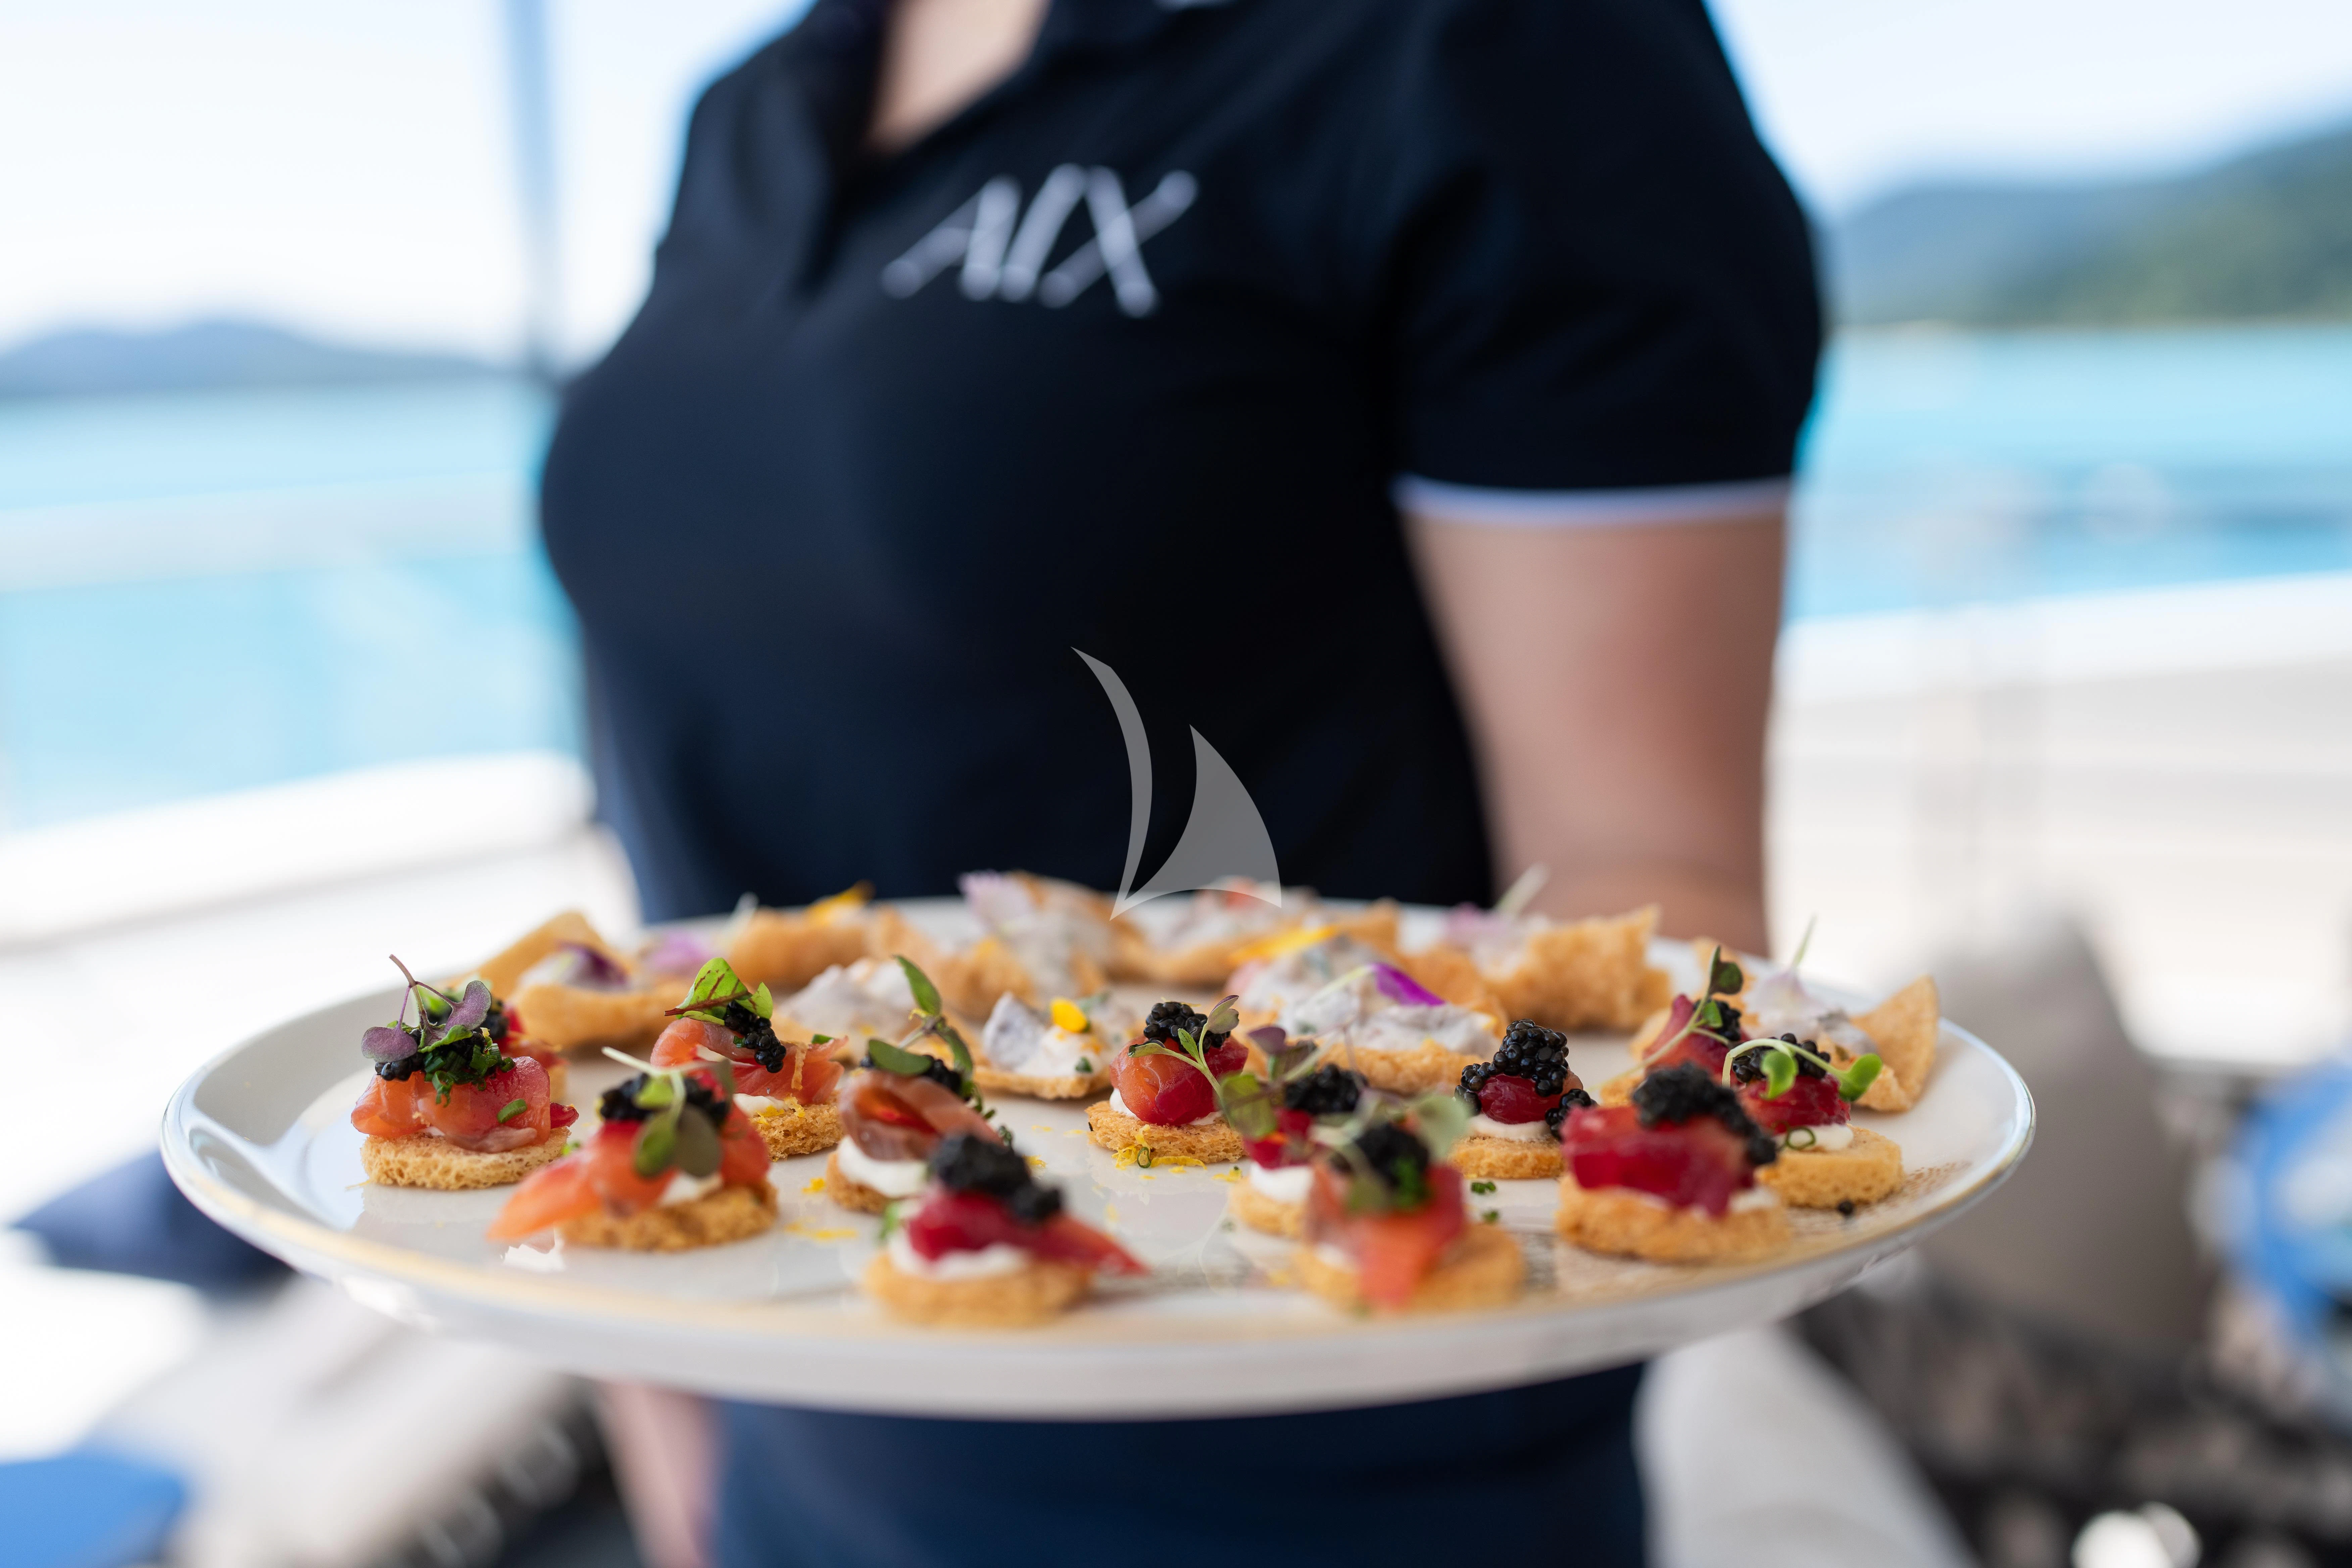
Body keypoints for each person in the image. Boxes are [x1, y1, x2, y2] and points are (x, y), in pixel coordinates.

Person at [540, 0, 1817, 1560]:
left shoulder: (1509, 48)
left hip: (1300, 1474)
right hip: (787, 1441)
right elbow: (686, 794)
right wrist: (655, 1361)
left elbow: (1651, 883)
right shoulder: (755, 104)